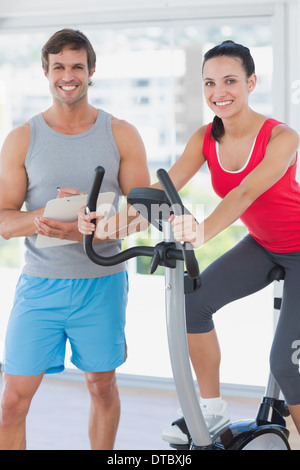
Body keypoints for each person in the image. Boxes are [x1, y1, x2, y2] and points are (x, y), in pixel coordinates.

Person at [79, 40, 300, 446]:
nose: (220, 92)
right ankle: (213, 408)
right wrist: (104, 229)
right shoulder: (204, 137)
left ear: (252, 82)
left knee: (288, 368)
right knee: (192, 303)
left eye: (230, 80)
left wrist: (202, 232)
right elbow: (157, 190)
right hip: (264, 244)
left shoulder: (282, 137)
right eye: (210, 83)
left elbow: (245, 194)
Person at [0, 28, 150, 450]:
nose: (69, 75)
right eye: (59, 67)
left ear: (91, 71)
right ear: (46, 72)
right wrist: (46, 218)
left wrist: (93, 228)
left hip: (101, 285)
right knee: (11, 401)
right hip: (40, 287)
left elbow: (142, 216)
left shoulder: (121, 133)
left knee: (102, 388)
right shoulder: (22, 139)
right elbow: (4, 221)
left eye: (77, 66)